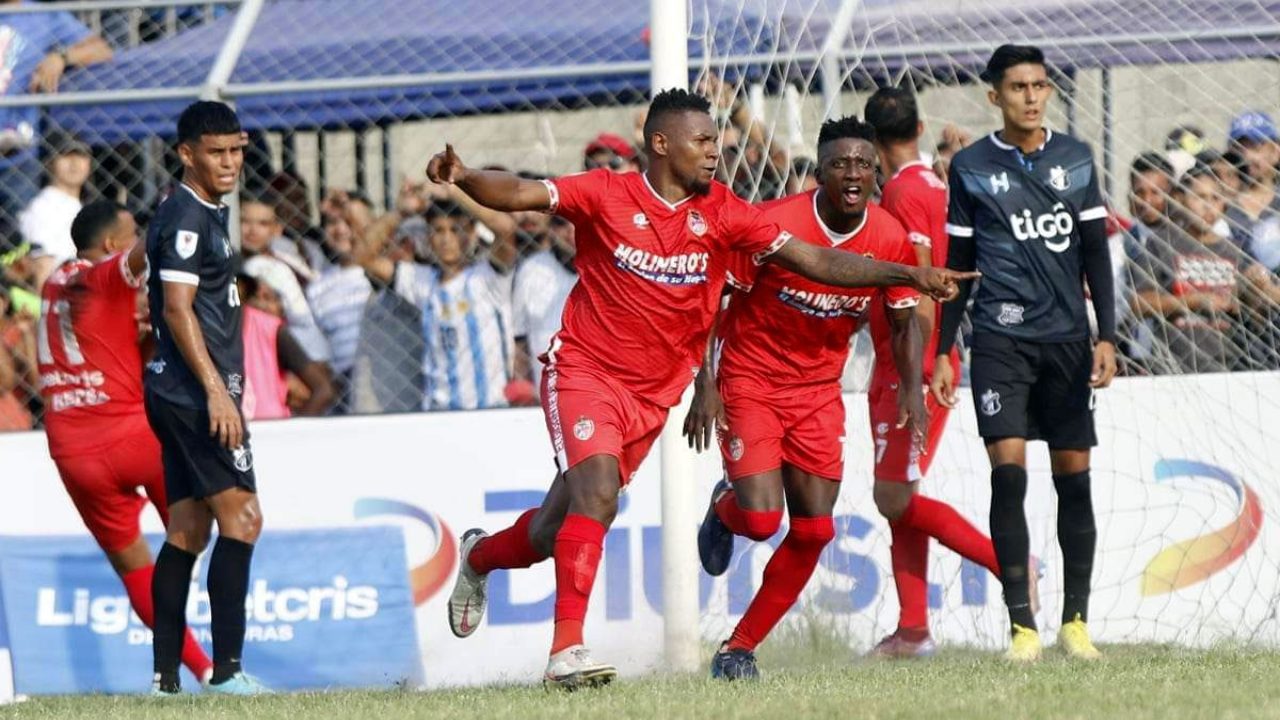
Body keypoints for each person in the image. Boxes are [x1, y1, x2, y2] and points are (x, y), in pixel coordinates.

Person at [431, 88, 974, 689]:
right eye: (704, 141)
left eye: (716, 139)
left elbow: (817, 263)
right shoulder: (606, 193)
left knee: (548, 531)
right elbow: (524, 194)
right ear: (661, 144)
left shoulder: (727, 212)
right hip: (585, 370)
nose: (716, 152)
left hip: (654, 392)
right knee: (599, 497)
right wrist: (464, 178)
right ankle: (567, 653)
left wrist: (908, 273)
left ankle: (479, 556)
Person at [682, 114, 930, 679]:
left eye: (863, 164)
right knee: (763, 520)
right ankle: (726, 512)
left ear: (876, 174)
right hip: (752, 381)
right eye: (840, 163)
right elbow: (713, 303)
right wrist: (707, 383)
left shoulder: (888, 235)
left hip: (820, 391)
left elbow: (901, 322)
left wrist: (911, 389)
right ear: (819, 170)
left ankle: (738, 649)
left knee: (816, 530)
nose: (852, 173)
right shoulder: (773, 224)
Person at [930, 44, 1118, 662]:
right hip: (1000, 340)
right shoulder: (973, 167)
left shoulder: (1076, 159)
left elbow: (1094, 254)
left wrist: (1107, 335)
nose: (1032, 97)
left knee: (1074, 481)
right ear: (995, 96)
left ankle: (1076, 623)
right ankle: (1023, 629)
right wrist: (942, 352)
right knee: (1007, 475)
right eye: (1018, 87)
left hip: (1066, 341)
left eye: (1040, 86)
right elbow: (958, 266)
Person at [36, 200, 215, 685]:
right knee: (205, 520)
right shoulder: (105, 275)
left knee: (133, 568)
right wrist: (182, 202)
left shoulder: (53, 281)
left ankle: (200, 669)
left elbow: (99, 341)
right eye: (128, 233)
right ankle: (195, 598)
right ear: (112, 244)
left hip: (73, 452)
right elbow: (146, 250)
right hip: (130, 435)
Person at [862, 87, 1003, 657]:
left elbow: (920, 282)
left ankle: (1010, 566)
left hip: (912, 360)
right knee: (902, 490)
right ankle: (913, 628)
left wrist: (924, 364)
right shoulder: (937, 180)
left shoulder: (900, 191)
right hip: (914, 355)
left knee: (892, 497)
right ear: (919, 128)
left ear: (872, 142)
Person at [143, 101, 266, 695]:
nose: (229, 162)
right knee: (242, 518)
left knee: (187, 529)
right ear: (186, 153)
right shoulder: (188, 216)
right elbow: (176, 308)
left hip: (176, 389)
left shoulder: (202, 210)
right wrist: (218, 392)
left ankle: (165, 681)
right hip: (196, 394)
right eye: (215, 152)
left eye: (236, 150)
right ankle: (229, 674)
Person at [357, 200, 518, 411]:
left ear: (471, 233)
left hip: (491, 407)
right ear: (428, 238)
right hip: (439, 411)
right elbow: (363, 256)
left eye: (455, 229)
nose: (446, 239)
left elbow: (506, 228)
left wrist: (455, 192)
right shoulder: (422, 282)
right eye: (438, 230)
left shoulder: (488, 277)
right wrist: (401, 211)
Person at [1129, 164, 1257, 373]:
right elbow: (1139, 304)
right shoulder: (1162, 243)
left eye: (1215, 198)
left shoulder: (1235, 249)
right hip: (1173, 366)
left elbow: (1253, 309)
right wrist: (1194, 301)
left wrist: (1246, 298)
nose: (1208, 206)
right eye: (1199, 197)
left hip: (1229, 365)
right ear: (1181, 200)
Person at [0, 1, 112, 227]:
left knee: (23, 240)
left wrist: (61, 57)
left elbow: (101, 49)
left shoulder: (43, 15)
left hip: (16, 155)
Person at [236, 273, 334, 420]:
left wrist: (291, 432)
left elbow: (322, 390)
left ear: (242, 289)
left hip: (268, 430)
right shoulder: (198, 329)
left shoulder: (270, 329)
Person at [20, 131, 92, 284]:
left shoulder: (80, 205)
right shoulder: (43, 207)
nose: (74, 162)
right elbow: (42, 268)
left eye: (81, 155)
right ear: (49, 162)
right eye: (66, 155)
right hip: (59, 294)